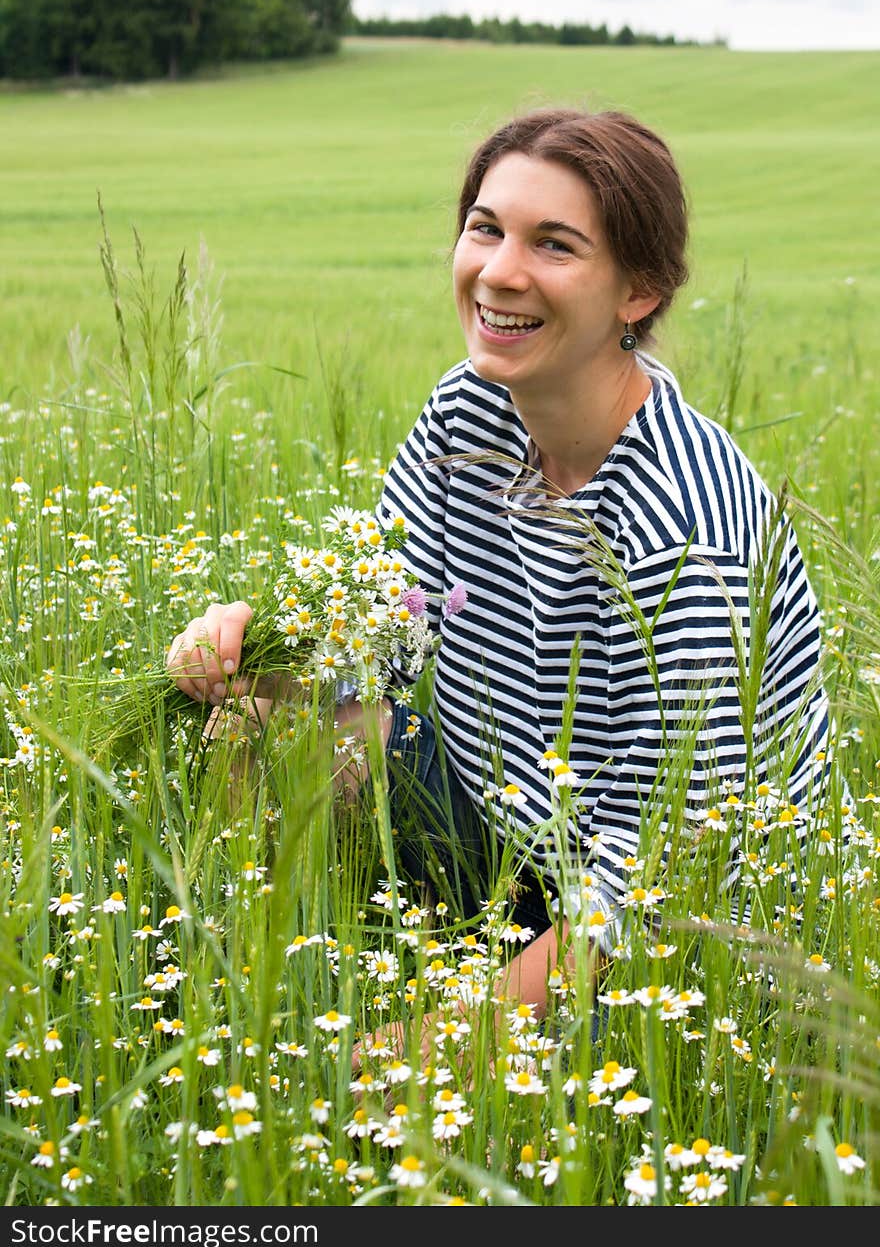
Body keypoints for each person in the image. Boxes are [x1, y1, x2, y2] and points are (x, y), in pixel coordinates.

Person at [167, 106, 836, 1034]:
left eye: (554, 245)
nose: (499, 271)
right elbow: (377, 632)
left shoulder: (687, 530)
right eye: (486, 229)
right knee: (253, 713)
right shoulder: (470, 412)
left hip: (679, 929)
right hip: (510, 823)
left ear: (637, 291)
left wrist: (441, 1043)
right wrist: (243, 637)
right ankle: (244, 980)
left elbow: (664, 875)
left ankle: (394, 1014)